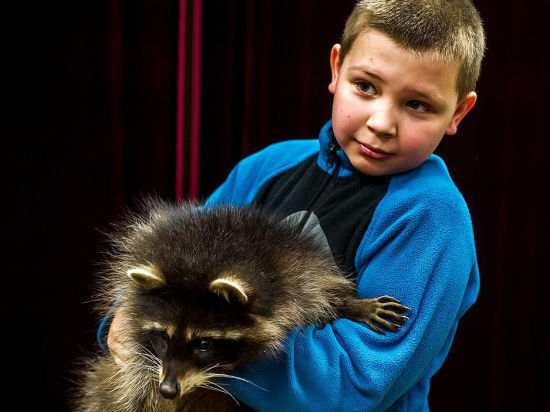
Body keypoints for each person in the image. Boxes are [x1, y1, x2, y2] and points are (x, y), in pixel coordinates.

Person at [103, 0, 485, 410]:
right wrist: (129, 317)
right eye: (366, 86)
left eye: (417, 105)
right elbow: (167, 277)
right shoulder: (269, 166)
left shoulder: (430, 218)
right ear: (336, 69)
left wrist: (209, 352)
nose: (381, 123)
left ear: (458, 111)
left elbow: (355, 383)